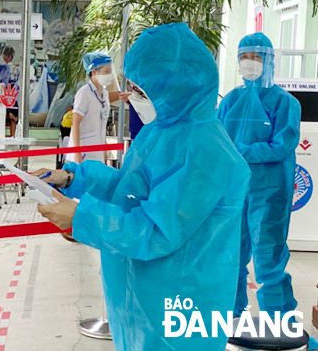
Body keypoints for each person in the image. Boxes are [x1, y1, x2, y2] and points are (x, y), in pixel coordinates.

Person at [36, 23, 251, 351]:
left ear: (175, 85)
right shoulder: (161, 129)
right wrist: (73, 179)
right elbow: (130, 188)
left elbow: (157, 230)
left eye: (141, 89)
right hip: (141, 297)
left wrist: (82, 217)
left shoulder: (204, 150)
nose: (133, 95)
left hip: (181, 303)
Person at [217, 34, 307, 323]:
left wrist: (241, 150)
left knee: (268, 258)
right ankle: (231, 316)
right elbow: (217, 142)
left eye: (256, 57)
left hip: (268, 191)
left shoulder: (285, 103)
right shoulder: (230, 100)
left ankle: (279, 322)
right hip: (233, 189)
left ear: (268, 60)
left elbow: (282, 145)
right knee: (231, 254)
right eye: (245, 57)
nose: (249, 63)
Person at [66, 52, 124, 163]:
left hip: (97, 153)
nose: (110, 75)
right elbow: (75, 122)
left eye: (110, 71)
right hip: (82, 155)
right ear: (94, 72)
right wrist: (77, 152)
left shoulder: (104, 93)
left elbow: (101, 125)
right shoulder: (84, 93)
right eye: (106, 72)